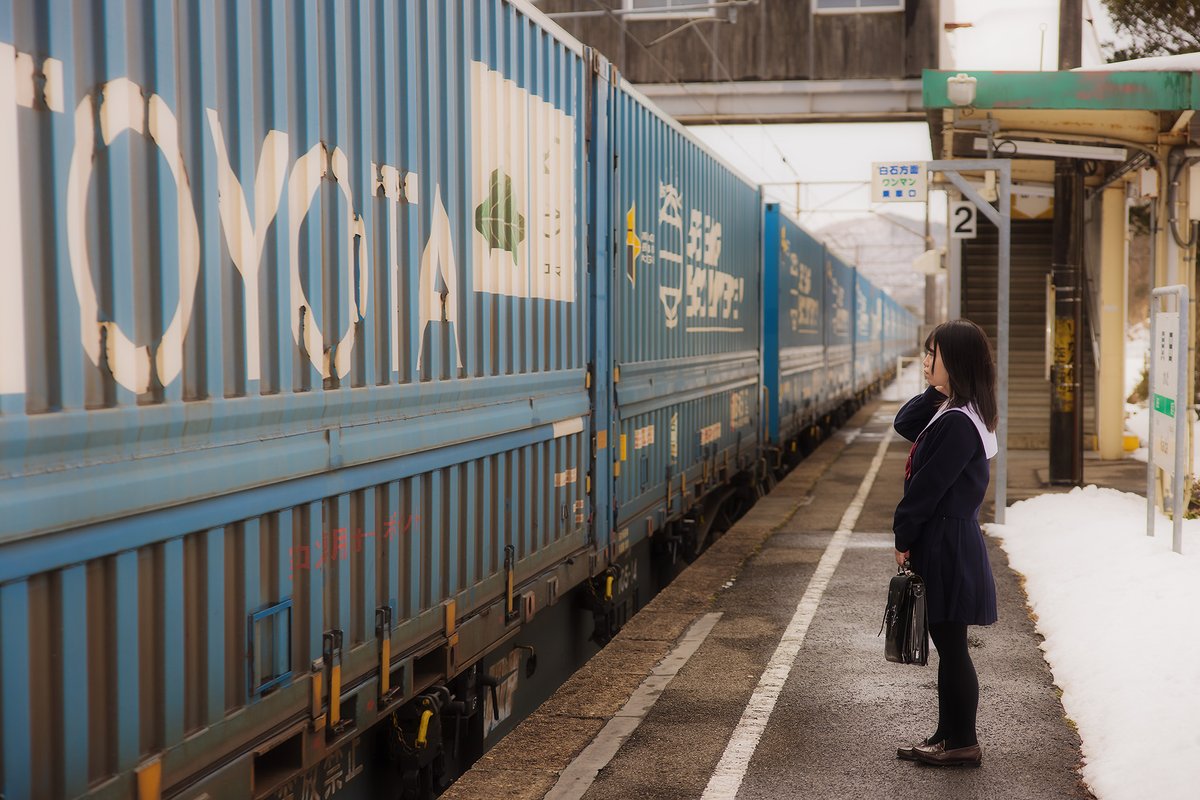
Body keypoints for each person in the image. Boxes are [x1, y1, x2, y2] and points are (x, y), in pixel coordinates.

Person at [891, 319, 999, 768]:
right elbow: (904, 422)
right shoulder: (958, 409)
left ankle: (962, 743)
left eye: (933, 354)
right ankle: (947, 734)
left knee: (951, 645)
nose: (925, 361)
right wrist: (937, 386)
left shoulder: (958, 423)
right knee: (947, 642)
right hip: (948, 536)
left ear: (953, 360)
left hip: (946, 539)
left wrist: (904, 535)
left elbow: (928, 488)